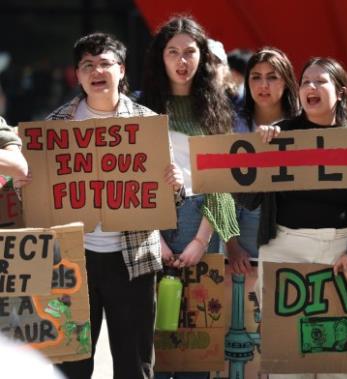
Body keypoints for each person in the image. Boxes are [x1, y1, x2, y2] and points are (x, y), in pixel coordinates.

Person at [16, 32, 184, 379]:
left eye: (105, 63)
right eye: (87, 65)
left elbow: (171, 198)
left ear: (121, 70)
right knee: (71, 363)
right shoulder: (55, 126)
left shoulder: (147, 124)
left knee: (134, 364)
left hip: (133, 261)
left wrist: (176, 184)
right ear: (77, 75)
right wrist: (24, 187)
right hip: (72, 262)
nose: (97, 71)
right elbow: (35, 198)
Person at [238, 57, 347, 379]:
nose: (311, 87)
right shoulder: (278, 136)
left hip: (342, 257)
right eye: (306, 81)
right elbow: (247, 199)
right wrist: (261, 151)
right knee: (288, 361)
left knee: (341, 362)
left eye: (320, 82)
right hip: (285, 251)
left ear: (340, 91)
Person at [139, 16, 240, 379]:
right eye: (173, 52)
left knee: (199, 341)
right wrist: (154, 238)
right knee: (155, 341)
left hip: (203, 223)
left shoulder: (218, 107)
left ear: (202, 56)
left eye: (190, 52)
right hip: (150, 226)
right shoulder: (140, 107)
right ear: (160, 58)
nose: (182, 61)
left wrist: (201, 239)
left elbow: (221, 182)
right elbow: (134, 178)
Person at [226, 47, 300, 274]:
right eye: (256, 77)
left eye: (272, 77)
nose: (263, 85)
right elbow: (222, 190)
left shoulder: (305, 125)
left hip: (297, 227)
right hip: (245, 225)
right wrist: (232, 244)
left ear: (287, 81)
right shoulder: (231, 125)